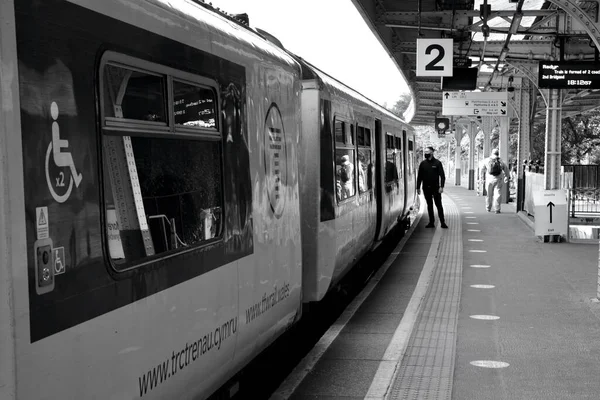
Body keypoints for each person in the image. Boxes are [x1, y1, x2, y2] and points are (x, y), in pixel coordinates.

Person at [417, 146, 447, 229]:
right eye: (425, 152)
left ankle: (442, 222)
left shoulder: (437, 163)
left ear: (432, 152)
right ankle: (431, 222)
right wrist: (418, 187)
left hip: (436, 188)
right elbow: (419, 176)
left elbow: (442, 176)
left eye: (427, 152)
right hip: (426, 188)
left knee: (438, 205)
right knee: (429, 205)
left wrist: (441, 187)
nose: (426, 153)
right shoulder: (423, 164)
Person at [480, 148, 510, 213]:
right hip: (498, 179)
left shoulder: (487, 160)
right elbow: (506, 169)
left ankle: (488, 207)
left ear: (492, 153)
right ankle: (497, 208)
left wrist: (482, 178)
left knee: (489, 194)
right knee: (497, 194)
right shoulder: (500, 161)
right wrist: (506, 177)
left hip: (489, 179)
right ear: (498, 153)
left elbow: (482, 169)